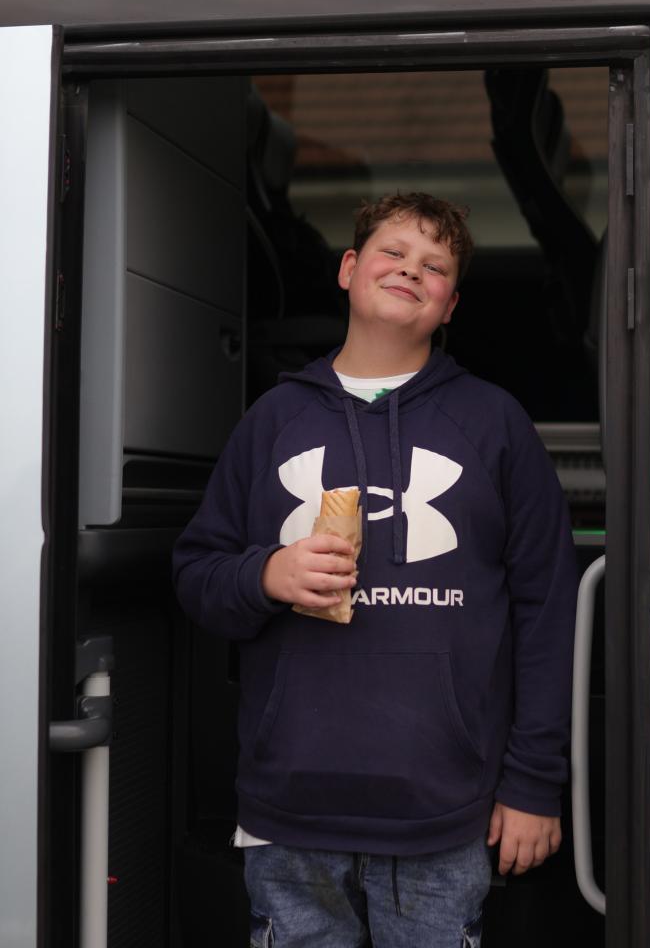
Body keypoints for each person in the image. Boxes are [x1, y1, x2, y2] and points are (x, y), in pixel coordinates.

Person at [173, 192, 578, 948]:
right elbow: (197, 576)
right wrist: (267, 576)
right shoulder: (272, 420)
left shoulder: (495, 424)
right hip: (289, 810)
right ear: (349, 269)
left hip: (443, 812)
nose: (411, 270)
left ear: (450, 304)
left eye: (435, 266)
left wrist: (534, 783)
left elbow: (548, 612)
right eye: (393, 252)